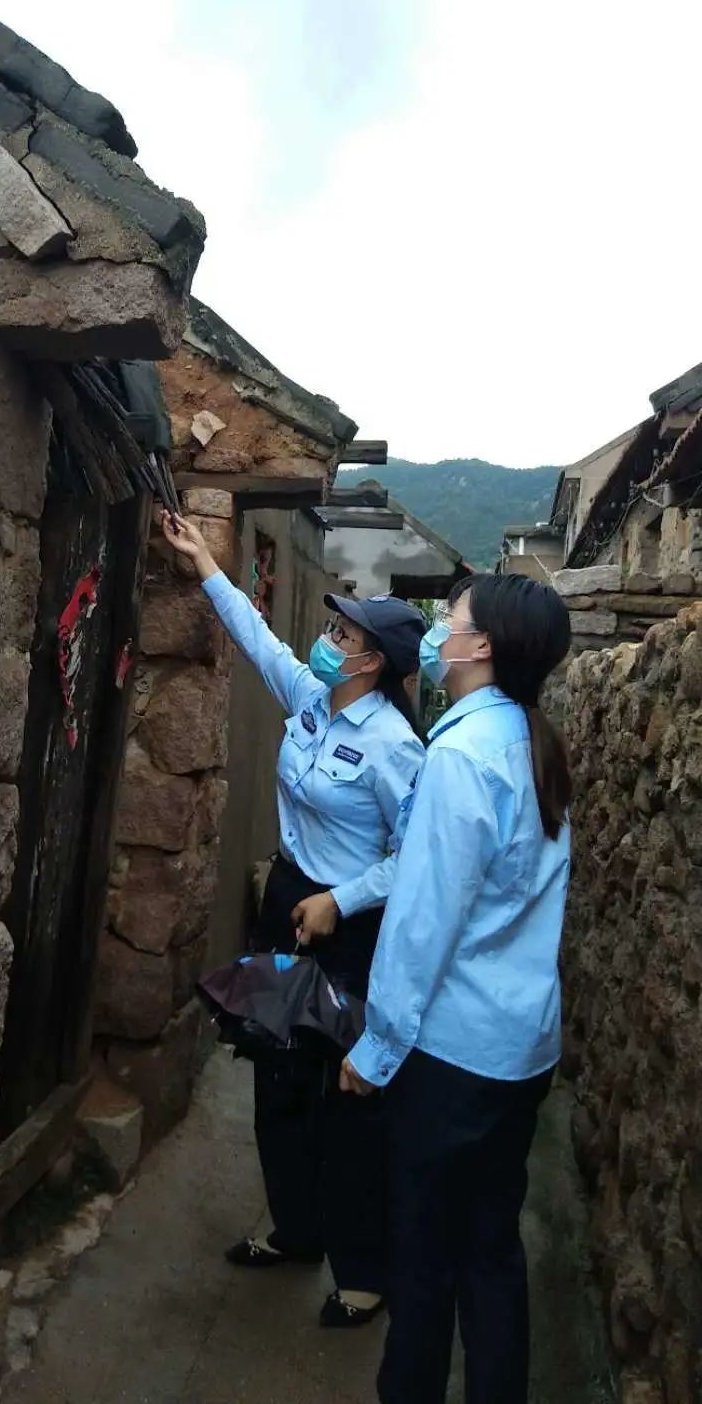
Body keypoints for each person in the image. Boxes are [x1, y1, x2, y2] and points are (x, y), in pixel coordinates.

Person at [162, 511, 425, 1327]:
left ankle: (364, 1271)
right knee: (278, 1078)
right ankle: (296, 1230)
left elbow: (416, 859)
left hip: (349, 933)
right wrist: (206, 562)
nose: (327, 634)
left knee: (348, 1099)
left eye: (343, 632)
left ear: (372, 662)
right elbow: (257, 636)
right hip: (288, 907)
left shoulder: (393, 746)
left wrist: (338, 902)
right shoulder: (311, 697)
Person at [340, 573, 572, 1404]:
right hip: (518, 1050)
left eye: (453, 618)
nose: (439, 628)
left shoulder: (463, 752)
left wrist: (377, 1047)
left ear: (483, 649)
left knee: (424, 1264)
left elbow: (423, 921)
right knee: (489, 1253)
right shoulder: (525, 739)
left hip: (454, 1060)